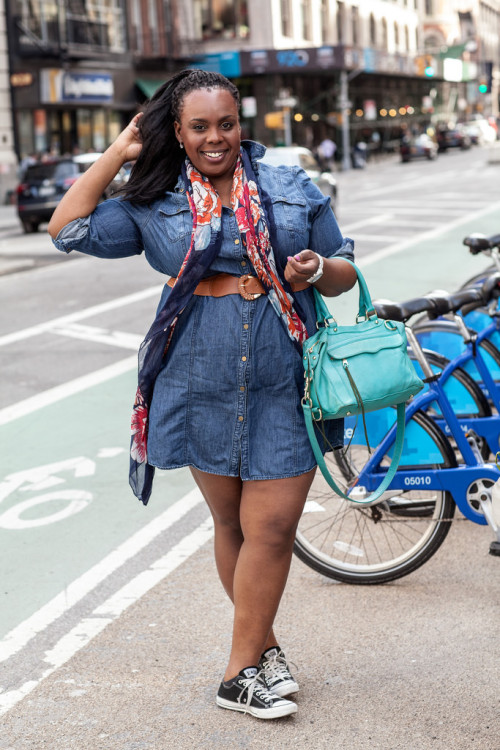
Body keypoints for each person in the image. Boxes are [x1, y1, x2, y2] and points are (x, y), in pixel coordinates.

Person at [48, 69, 356, 721]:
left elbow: (343, 269)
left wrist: (317, 269)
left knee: (270, 526)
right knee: (231, 525)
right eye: (199, 127)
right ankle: (263, 651)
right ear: (179, 133)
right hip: (196, 377)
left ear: (241, 124)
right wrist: (122, 149)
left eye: (226, 124)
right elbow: (66, 228)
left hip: (284, 376)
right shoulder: (154, 200)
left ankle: (238, 673)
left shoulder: (288, 186)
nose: (216, 138)